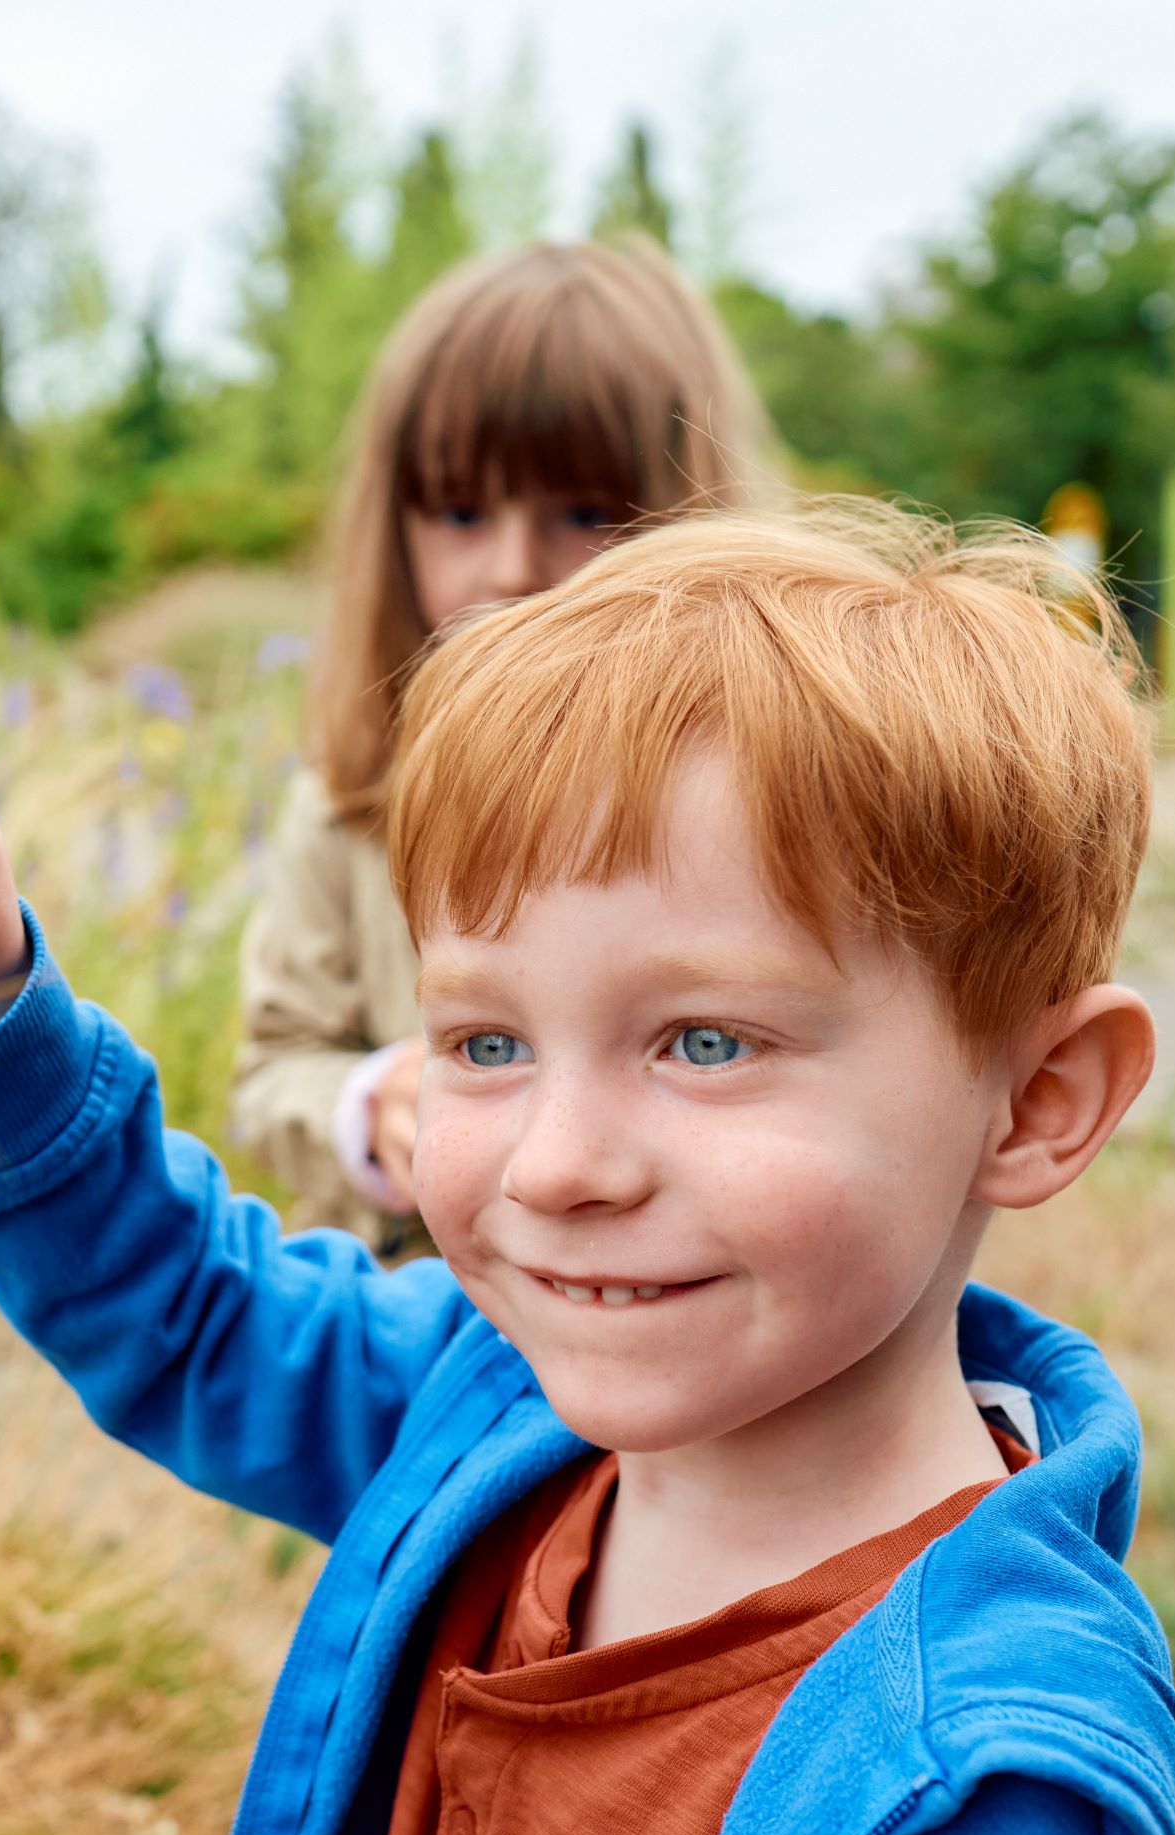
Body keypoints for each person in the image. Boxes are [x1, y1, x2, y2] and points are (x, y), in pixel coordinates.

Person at [0, 502, 1175, 1835]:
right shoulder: (493, 1409)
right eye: (486, 1043)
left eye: (707, 1041)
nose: (559, 1167)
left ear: (1037, 1103)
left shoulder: (988, 1807)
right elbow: (191, 1312)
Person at [233, 238, 776, 1249]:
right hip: (427, 1324)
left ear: (686, 508)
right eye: (460, 511)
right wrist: (367, 1101)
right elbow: (274, 1066)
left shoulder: (758, 797)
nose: (513, 566)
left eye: (582, 512)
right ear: (395, 529)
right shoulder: (350, 803)